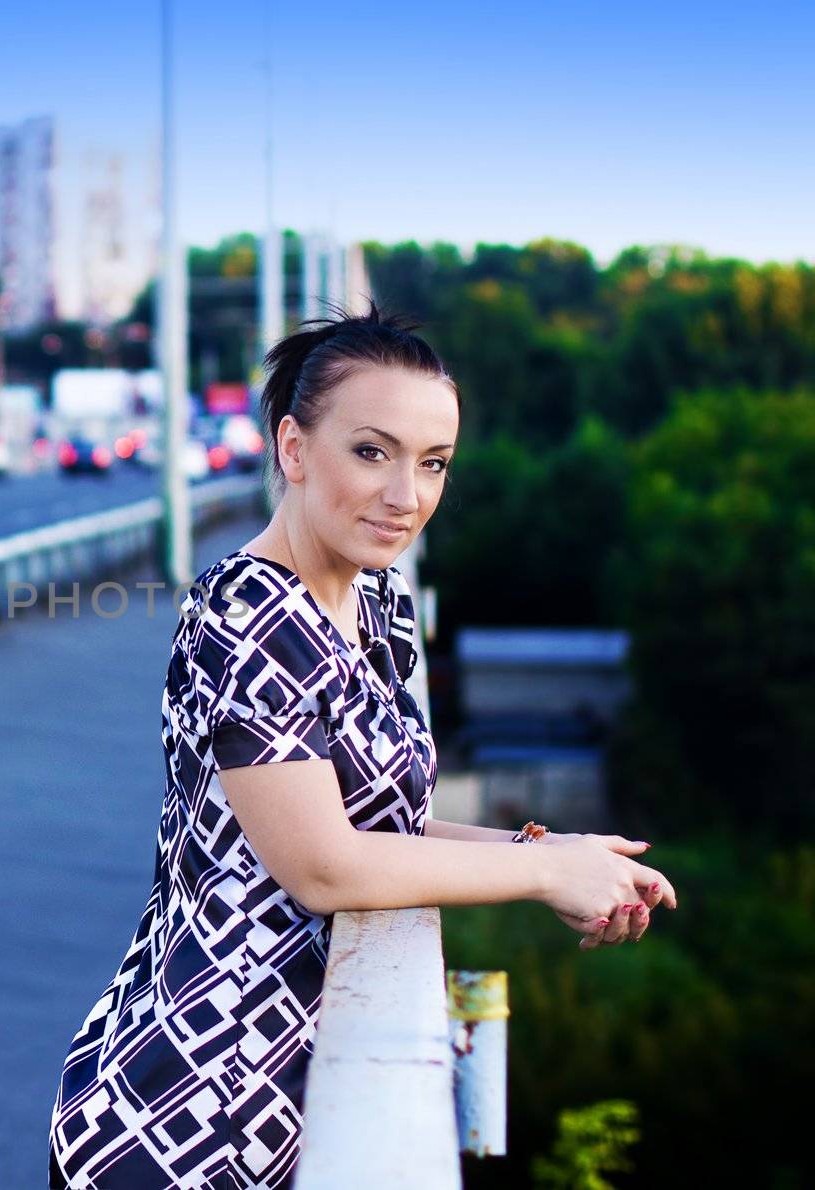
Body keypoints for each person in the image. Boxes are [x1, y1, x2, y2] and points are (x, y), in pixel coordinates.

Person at [47, 303, 677, 1189]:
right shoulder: (247, 617)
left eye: (434, 464)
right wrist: (540, 875)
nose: (405, 496)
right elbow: (325, 866)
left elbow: (389, 825)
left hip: (293, 1083)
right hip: (193, 1105)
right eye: (372, 452)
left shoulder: (376, 603)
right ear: (294, 449)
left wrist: (553, 851)